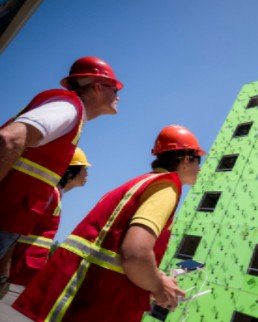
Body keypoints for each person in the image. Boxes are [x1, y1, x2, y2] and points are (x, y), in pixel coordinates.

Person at [12, 125, 205, 322]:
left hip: (74, 292)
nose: (200, 168)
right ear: (186, 159)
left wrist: (155, 277)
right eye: (199, 160)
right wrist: (158, 286)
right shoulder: (167, 187)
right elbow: (136, 254)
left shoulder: (138, 184)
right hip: (99, 301)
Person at [0, 56, 122, 260]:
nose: (119, 96)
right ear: (99, 87)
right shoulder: (67, 109)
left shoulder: (71, 113)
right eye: (115, 89)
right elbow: (9, 139)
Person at [0, 148, 91, 308]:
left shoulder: (55, 195)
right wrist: (4, 269)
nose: (87, 173)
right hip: (13, 269)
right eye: (84, 168)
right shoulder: (50, 194)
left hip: (21, 270)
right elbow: (16, 229)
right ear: (70, 172)